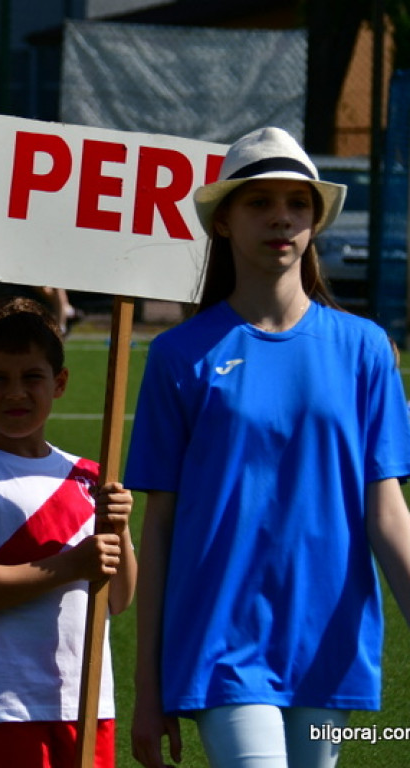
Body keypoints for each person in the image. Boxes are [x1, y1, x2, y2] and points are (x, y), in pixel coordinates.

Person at [125, 127, 410, 768]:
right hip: (221, 641)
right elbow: (160, 528)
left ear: (315, 221)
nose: (281, 216)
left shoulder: (366, 349)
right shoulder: (177, 355)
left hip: (329, 639)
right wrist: (149, 689)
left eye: (297, 203)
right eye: (259, 202)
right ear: (223, 221)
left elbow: (387, 511)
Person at [0, 295, 136, 768]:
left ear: (59, 382)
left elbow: (120, 598)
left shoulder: (88, 475)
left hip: (86, 697)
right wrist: (70, 565)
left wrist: (120, 531)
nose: (16, 394)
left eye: (32, 378)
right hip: (6, 701)